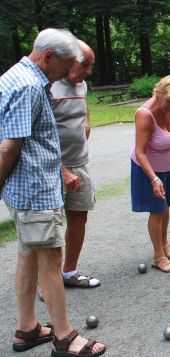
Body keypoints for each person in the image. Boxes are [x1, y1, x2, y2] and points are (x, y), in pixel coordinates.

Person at [0, 28, 105, 357]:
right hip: (34, 189)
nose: (67, 74)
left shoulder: (14, 76)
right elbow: (8, 148)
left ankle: (27, 328)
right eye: (65, 66)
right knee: (50, 258)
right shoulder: (30, 85)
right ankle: (64, 337)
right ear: (48, 57)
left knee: (28, 254)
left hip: (26, 189)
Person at [51, 40, 99, 288]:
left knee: (79, 217)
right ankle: (47, 279)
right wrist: (62, 170)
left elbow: (84, 108)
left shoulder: (82, 86)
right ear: (68, 60)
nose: (88, 71)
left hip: (80, 163)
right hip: (52, 167)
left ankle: (69, 272)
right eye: (86, 65)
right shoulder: (48, 85)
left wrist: (87, 121)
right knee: (51, 225)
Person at [130, 74, 170, 273]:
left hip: (166, 167)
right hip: (147, 169)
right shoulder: (145, 114)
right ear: (159, 94)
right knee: (156, 210)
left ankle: (164, 243)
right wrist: (153, 178)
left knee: (166, 206)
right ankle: (158, 257)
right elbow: (140, 151)